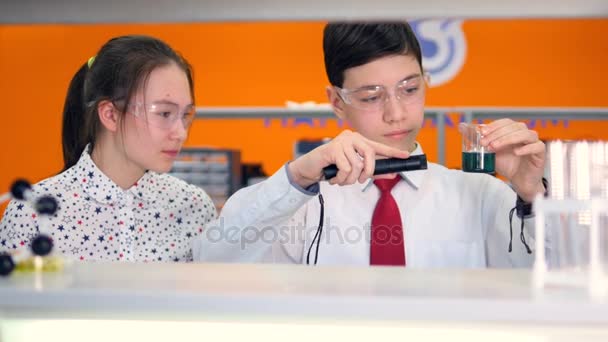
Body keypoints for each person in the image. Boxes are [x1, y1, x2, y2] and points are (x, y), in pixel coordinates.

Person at [194, 22, 550, 268]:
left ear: (426, 83)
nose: (396, 113)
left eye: (410, 89)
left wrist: (533, 197)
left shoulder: (480, 194)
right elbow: (213, 259)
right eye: (370, 96)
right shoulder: (301, 201)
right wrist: (297, 176)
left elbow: (556, 278)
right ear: (336, 101)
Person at [0, 35, 217, 262]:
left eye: (185, 115)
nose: (181, 132)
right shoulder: (32, 212)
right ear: (110, 115)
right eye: (164, 113)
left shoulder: (195, 207)